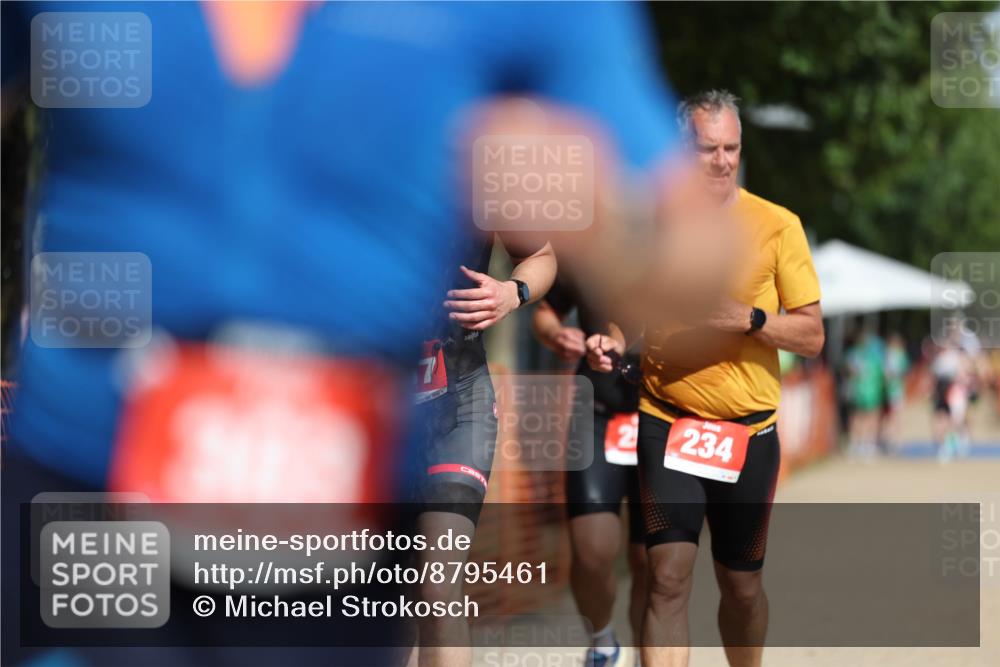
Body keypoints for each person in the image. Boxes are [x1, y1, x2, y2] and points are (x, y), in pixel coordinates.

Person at [1, 3, 688, 666]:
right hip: (86, 461)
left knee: (437, 583)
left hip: (408, 424)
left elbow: (662, 231)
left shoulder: (489, 52)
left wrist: (562, 257)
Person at [587, 90, 823, 667]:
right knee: (666, 575)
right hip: (668, 423)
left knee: (740, 588)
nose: (721, 161)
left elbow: (811, 336)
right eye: (707, 149)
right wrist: (612, 340)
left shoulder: (777, 225)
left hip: (749, 433)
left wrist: (748, 319)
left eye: (731, 148)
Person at [410, 231, 555, 667]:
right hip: (372, 408)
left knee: (437, 586)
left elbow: (541, 254)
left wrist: (513, 292)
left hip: (460, 400)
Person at [533, 271, 644, 667]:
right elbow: (546, 311)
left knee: (653, 561)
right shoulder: (590, 245)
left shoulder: (687, 244)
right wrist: (555, 334)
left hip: (666, 415)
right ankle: (602, 641)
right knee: (592, 549)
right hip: (597, 413)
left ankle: (653, 652)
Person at [880, 332, 910, 452]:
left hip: (892, 391)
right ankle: (892, 440)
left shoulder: (893, 356)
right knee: (893, 417)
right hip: (891, 391)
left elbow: (901, 373)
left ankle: (893, 440)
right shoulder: (892, 355)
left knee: (893, 417)